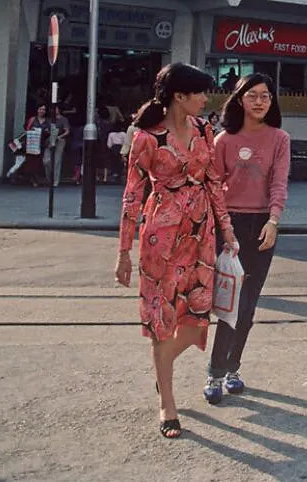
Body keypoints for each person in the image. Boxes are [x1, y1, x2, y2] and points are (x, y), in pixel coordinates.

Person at [114, 63, 238, 440]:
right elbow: (132, 196)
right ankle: (167, 402)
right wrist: (123, 252)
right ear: (179, 96)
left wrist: (227, 229)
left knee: (199, 314)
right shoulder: (146, 138)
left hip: (201, 235)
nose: (206, 99)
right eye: (200, 93)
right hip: (161, 238)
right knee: (162, 319)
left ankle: (160, 369)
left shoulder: (204, 129)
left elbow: (214, 182)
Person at [204, 73, 289, 405]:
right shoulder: (223, 140)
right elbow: (213, 186)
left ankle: (233, 368)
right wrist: (224, 228)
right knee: (229, 304)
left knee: (248, 306)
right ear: (239, 99)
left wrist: (274, 220)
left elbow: (279, 183)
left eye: (265, 96)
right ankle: (214, 371)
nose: (259, 101)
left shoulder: (279, 138)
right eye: (252, 95)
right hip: (229, 226)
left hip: (262, 227)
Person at [22, 105, 52, 186]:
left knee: (40, 162)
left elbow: (50, 132)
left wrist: (47, 132)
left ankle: (39, 179)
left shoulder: (47, 121)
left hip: (42, 144)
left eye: (43, 110)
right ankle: (32, 179)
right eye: (40, 109)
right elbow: (26, 128)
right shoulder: (32, 119)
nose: (42, 111)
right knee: (32, 162)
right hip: (32, 144)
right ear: (37, 110)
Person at [47, 104, 71, 187]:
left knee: (57, 160)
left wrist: (59, 136)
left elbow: (67, 131)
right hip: (50, 139)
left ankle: (55, 181)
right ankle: (49, 178)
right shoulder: (49, 120)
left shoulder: (63, 119)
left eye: (55, 109)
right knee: (46, 161)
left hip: (60, 140)